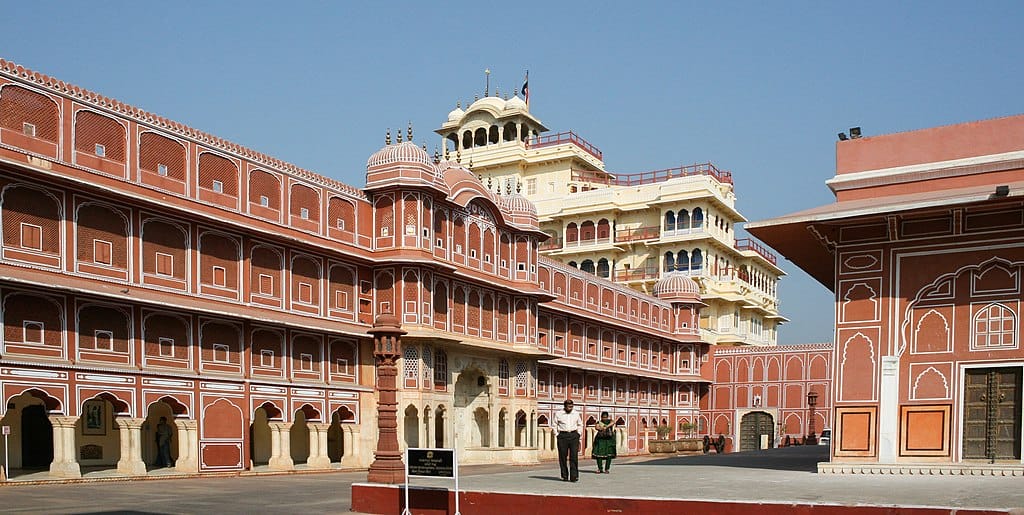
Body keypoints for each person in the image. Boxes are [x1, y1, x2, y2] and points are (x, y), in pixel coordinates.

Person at [552, 399, 582, 482]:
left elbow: (580, 424)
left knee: (574, 456)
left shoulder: (576, 413)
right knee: (562, 457)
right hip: (562, 436)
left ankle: (574, 476)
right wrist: (557, 434)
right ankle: (564, 475)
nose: (570, 408)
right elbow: (554, 424)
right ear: (565, 406)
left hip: (573, 435)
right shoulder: (559, 414)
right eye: (569, 407)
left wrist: (578, 433)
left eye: (571, 406)